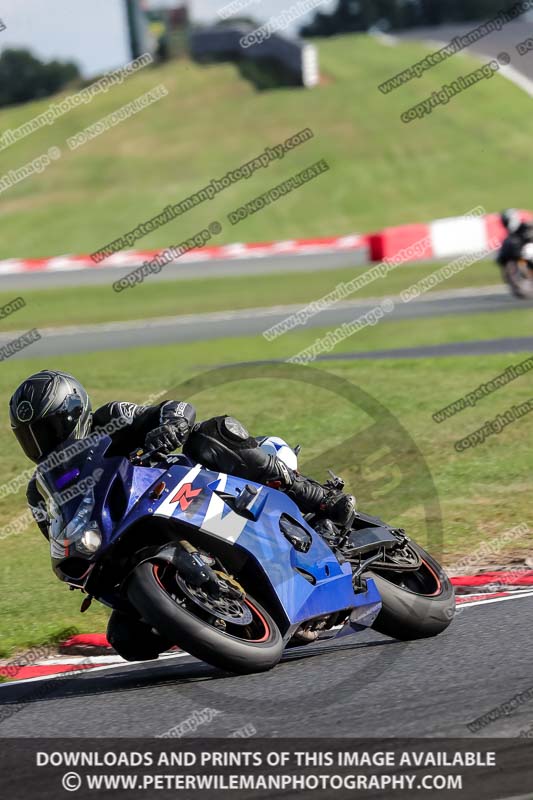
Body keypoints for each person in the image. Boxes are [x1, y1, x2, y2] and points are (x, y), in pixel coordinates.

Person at [10, 370, 356, 542]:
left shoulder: (111, 417)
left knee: (209, 434)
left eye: (49, 428)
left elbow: (175, 408)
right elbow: (62, 539)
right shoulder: (39, 489)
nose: (43, 442)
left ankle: (323, 500)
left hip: (187, 490)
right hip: (134, 532)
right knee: (128, 638)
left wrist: (172, 426)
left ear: (75, 414)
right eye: (32, 435)